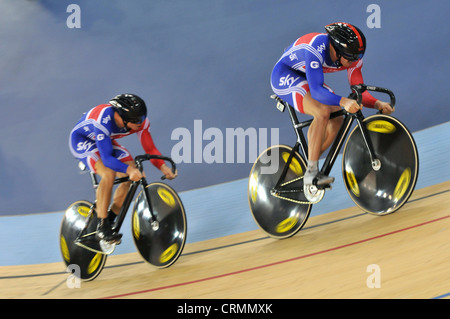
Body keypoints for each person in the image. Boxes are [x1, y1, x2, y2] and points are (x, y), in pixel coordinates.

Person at [270, 22, 393, 187]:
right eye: (351, 58)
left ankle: (308, 163)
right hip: (285, 74)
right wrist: (343, 101)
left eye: (358, 57)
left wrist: (377, 103)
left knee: (337, 118)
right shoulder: (316, 48)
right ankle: (311, 174)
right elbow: (316, 91)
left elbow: (359, 91)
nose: (355, 62)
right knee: (321, 112)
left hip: (307, 75)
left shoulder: (352, 57)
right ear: (337, 50)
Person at [69, 93, 177, 242]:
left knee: (131, 176)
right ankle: (102, 225)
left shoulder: (141, 121)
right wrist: (129, 170)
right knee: (108, 173)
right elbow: (107, 159)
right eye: (136, 120)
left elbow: (150, 149)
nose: (141, 123)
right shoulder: (103, 120)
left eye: (142, 118)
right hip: (83, 141)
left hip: (105, 140)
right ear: (122, 119)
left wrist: (162, 166)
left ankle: (111, 217)